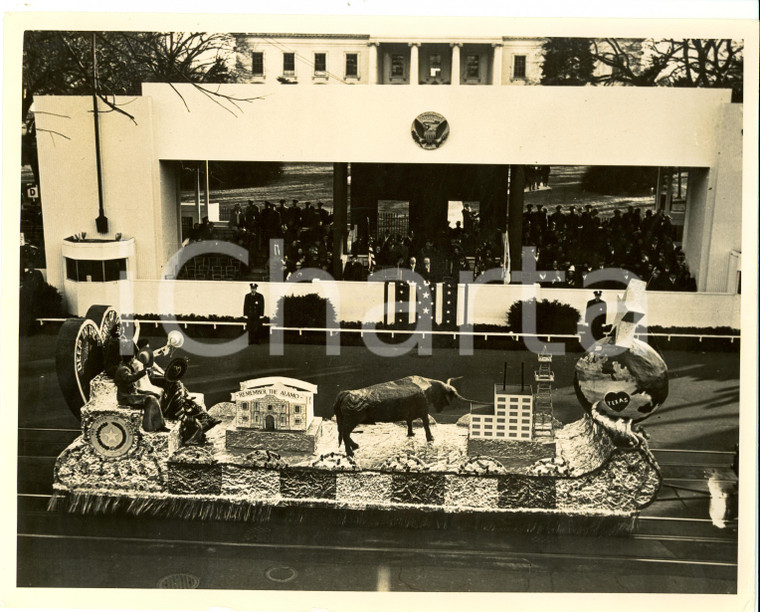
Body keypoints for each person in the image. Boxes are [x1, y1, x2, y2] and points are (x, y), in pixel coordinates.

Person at [113, 347, 168, 433]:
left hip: (130, 394)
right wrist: (143, 372)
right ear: (131, 359)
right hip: (126, 397)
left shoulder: (124, 367)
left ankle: (156, 423)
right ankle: (152, 426)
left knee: (155, 395)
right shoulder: (123, 369)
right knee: (151, 399)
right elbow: (130, 378)